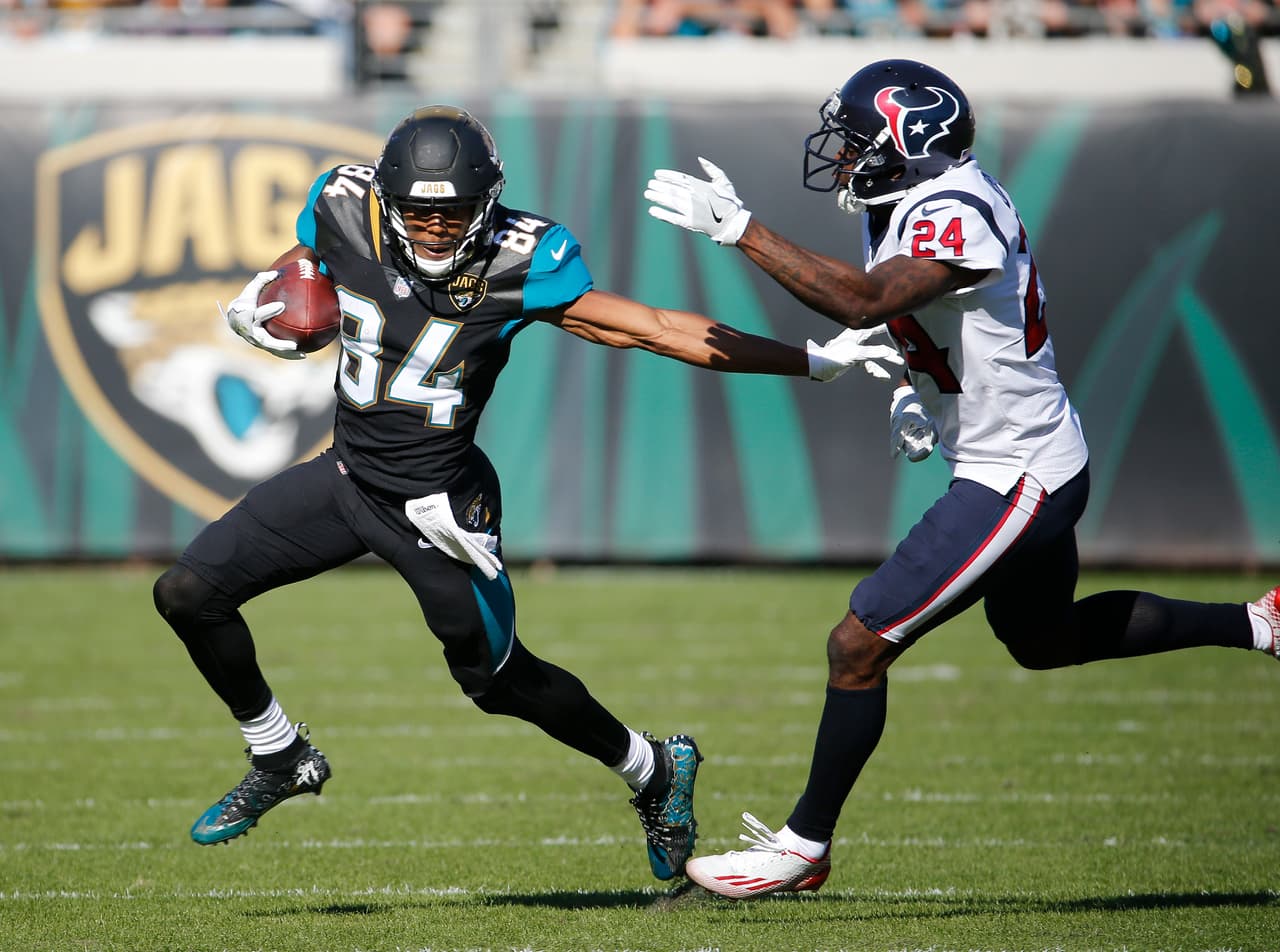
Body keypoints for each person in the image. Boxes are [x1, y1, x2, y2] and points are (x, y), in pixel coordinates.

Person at [151, 105, 902, 882]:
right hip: (347, 476)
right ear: (386, 198)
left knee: (496, 682)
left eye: (452, 213)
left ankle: (653, 769)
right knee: (187, 593)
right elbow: (307, 259)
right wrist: (270, 295)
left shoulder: (521, 257)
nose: (435, 229)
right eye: (418, 212)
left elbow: (653, 327)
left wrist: (808, 360)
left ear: (488, 200)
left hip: (437, 509)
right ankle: (280, 756)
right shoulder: (342, 203)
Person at [643, 58, 1280, 899]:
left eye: (859, 141)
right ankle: (1260, 623)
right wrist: (911, 391)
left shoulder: (957, 209)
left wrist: (742, 230)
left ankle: (802, 846)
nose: (844, 157)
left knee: (858, 643)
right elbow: (933, 321)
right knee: (1043, 641)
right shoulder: (902, 202)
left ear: (910, 143)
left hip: (1016, 475)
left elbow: (866, 301)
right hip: (1024, 456)